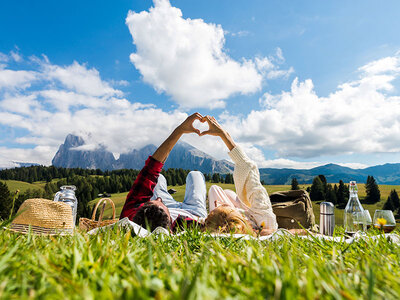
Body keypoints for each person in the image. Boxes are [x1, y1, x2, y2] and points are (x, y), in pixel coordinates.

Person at [120, 113, 207, 232]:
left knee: (158, 177)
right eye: (159, 202)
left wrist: (179, 131)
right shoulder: (189, 226)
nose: (159, 198)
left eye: (152, 201)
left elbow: (150, 170)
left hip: (169, 205)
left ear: (141, 208)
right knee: (195, 175)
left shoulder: (130, 215)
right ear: (170, 224)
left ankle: (164, 205)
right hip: (193, 211)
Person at [200, 116, 278, 236]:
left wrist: (224, 210)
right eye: (229, 209)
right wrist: (223, 134)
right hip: (251, 215)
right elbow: (247, 167)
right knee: (225, 193)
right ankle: (232, 205)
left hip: (237, 218)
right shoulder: (264, 219)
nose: (225, 205)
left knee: (215, 189)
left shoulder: (232, 229)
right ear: (240, 217)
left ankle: (228, 206)